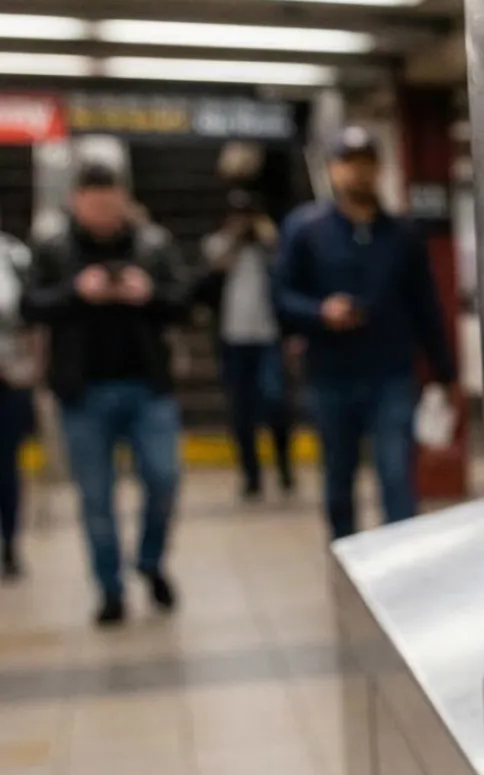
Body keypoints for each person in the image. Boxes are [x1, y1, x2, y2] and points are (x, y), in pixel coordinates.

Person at [26, 163, 190, 624]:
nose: (101, 209)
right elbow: (31, 304)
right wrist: (78, 292)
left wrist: (148, 293)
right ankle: (110, 590)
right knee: (95, 498)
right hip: (83, 394)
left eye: (109, 199)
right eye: (92, 201)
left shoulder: (152, 245)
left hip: (147, 386)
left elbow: (183, 303)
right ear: (76, 201)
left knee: (164, 479)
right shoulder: (55, 248)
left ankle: (151, 561)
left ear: (123, 198)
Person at [275, 126, 454, 540]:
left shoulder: (403, 234)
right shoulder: (306, 230)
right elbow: (281, 298)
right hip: (330, 375)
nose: (358, 174)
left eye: (367, 164)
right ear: (333, 171)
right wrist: (321, 312)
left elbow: (425, 303)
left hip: (391, 373)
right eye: (348, 164)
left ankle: (400, 561)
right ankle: (347, 558)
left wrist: (443, 373)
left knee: (396, 475)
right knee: (339, 478)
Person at [203, 191, 293, 499]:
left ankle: (284, 467)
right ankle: (251, 475)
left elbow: (286, 273)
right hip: (233, 339)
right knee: (241, 411)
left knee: (275, 403)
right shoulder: (218, 244)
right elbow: (212, 274)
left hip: (268, 336)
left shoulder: (267, 247)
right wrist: (235, 240)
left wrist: (265, 237)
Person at [0, 223, 34, 581]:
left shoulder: (13, 254)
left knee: (6, 468)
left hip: (8, 379)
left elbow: (34, 315)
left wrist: (31, 367)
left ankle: (10, 544)